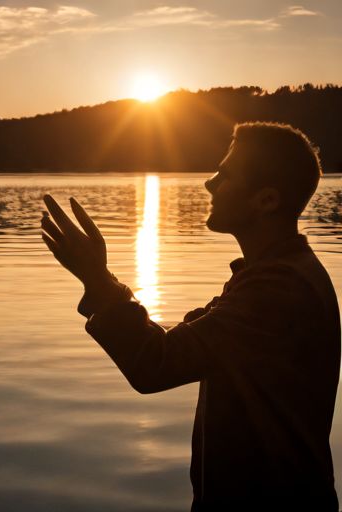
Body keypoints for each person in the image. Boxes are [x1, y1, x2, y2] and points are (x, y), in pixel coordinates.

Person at [40, 122, 341, 511]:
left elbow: (156, 363)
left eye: (226, 174)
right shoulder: (270, 275)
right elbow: (181, 343)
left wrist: (97, 279)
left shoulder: (276, 289)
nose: (210, 184)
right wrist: (103, 281)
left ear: (266, 200)